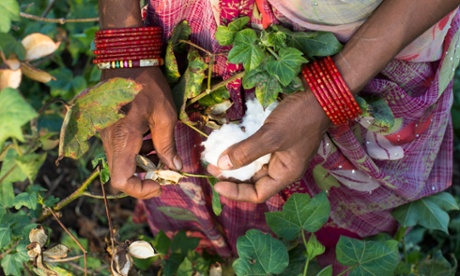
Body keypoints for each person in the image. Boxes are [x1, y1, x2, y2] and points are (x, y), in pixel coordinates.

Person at [97, 0, 460, 269]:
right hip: (192, 31)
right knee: (179, 164)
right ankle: (199, 257)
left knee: (336, 216)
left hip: (368, 49)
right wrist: (127, 49)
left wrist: (330, 94)